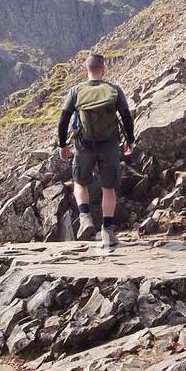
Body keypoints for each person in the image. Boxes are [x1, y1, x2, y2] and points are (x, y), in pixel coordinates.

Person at [57, 54, 135, 248]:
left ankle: (85, 219)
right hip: (109, 145)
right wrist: (130, 141)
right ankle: (107, 232)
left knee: (79, 183)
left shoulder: (76, 90)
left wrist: (62, 144)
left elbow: (63, 119)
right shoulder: (114, 90)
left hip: (84, 145)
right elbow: (126, 117)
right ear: (104, 69)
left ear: (86, 69)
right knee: (108, 188)